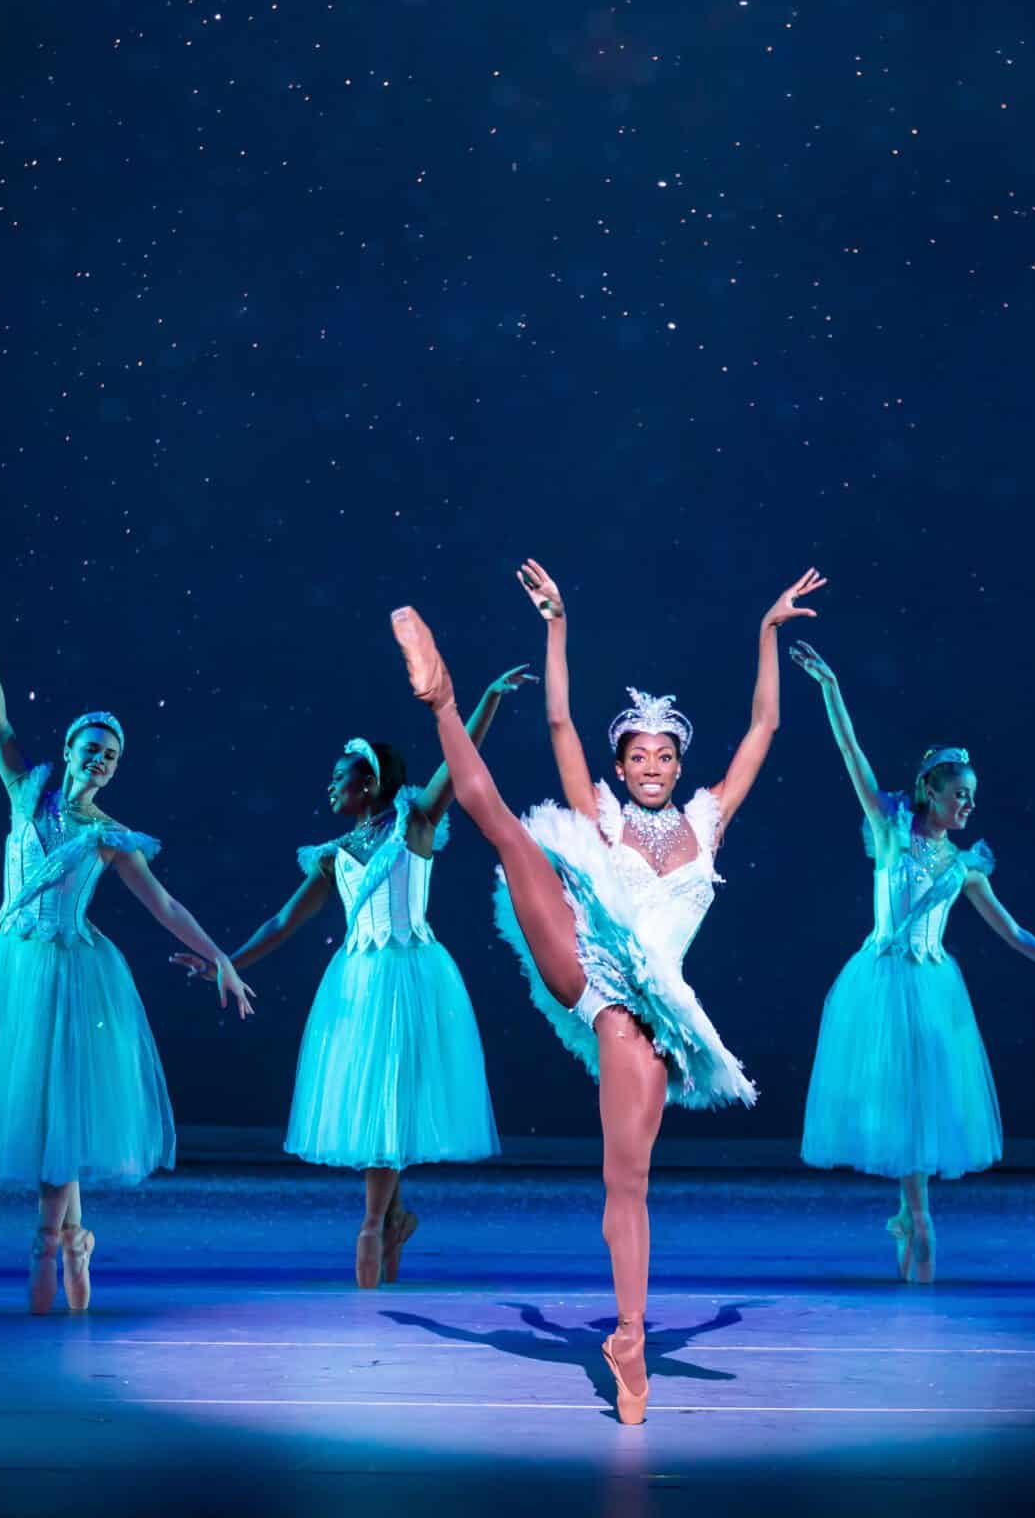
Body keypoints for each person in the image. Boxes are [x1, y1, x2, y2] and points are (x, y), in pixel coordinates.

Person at [387, 560, 824, 1424]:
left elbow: (765, 726)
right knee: (509, 834)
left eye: (665, 755)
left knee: (628, 1183)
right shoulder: (606, 816)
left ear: (678, 764)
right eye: (638, 755)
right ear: (621, 766)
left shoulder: (706, 823)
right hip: (585, 961)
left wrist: (768, 630)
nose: (653, 765)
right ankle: (439, 697)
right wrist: (555, 625)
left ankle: (629, 1334)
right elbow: (557, 718)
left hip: (648, 1018)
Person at [0, 580, 256, 1313]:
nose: (100, 761)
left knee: (60, 1112)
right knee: (44, 1114)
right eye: (92, 749)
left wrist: (223, 957)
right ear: (69, 749)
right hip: (15, 966)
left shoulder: (108, 838)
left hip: (75, 972)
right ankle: (71, 1242)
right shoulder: (24, 793)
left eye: (111, 756)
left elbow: (164, 904)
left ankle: (49, 1246)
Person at [172, 667, 532, 1288]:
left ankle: (372, 1224)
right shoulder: (331, 854)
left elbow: (458, 762)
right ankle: (391, 1220)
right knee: (376, 1103)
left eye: (340, 776)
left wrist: (487, 701)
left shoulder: (414, 820)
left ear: (368, 782)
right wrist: (224, 961)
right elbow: (282, 922)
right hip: (358, 984)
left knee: (391, 1102)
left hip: (411, 973)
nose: (329, 785)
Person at [789, 641, 1035, 1283]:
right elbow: (852, 756)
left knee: (923, 1098)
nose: (968, 805)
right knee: (898, 1098)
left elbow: (1014, 932)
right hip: (883, 981)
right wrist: (831, 688)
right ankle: (917, 1216)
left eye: (973, 796)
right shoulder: (890, 831)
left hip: (934, 986)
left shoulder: (966, 867)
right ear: (930, 792)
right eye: (959, 794)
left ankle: (915, 1214)